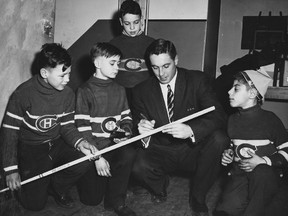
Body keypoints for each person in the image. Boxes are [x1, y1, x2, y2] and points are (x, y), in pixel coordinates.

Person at [131, 38, 229, 216]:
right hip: (161, 149)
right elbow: (139, 125)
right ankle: (159, 188)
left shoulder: (197, 80)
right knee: (137, 164)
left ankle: (198, 197)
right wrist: (143, 132)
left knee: (219, 139)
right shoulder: (140, 91)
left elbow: (219, 115)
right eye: (155, 67)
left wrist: (192, 130)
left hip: (192, 149)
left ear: (176, 60)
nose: (161, 73)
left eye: (166, 66)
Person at [0, 43, 98, 211]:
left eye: (69, 73)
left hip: (57, 143)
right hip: (32, 149)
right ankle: (29, 180)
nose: (68, 79)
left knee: (85, 158)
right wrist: (10, 169)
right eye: (62, 75)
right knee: (35, 205)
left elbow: (67, 127)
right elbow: (9, 132)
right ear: (45, 73)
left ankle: (57, 186)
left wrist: (81, 142)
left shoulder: (67, 93)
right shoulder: (23, 94)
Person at [213, 69, 288, 216]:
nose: (229, 92)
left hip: (267, 177)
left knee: (261, 173)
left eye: (235, 88)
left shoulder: (270, 120)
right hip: (240, 176)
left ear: (252, 94)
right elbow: (234, 145)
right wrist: (228, 154)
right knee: (224, 211)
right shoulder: (232, 120)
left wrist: (264, 161)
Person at [75, 42, 137, 216]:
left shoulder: (120, 89)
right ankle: (93, 181)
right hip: (93, 150)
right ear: (97, 63)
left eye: (118, 63)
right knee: (91, 200)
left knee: (129, 153)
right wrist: (97, 157)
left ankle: (117, 201)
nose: (117, 68)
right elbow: (82, 129)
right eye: (112, 63)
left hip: (113, 146)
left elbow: (126, 118)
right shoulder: (84, 90)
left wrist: (124, 132)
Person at [109, 0, 155, 105]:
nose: (132, 27)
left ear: (141, 20)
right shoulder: (112, 44)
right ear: (121, 22)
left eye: (136, 22)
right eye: (127, 23)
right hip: (119, 96)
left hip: (146, 95)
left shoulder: (152, 43)